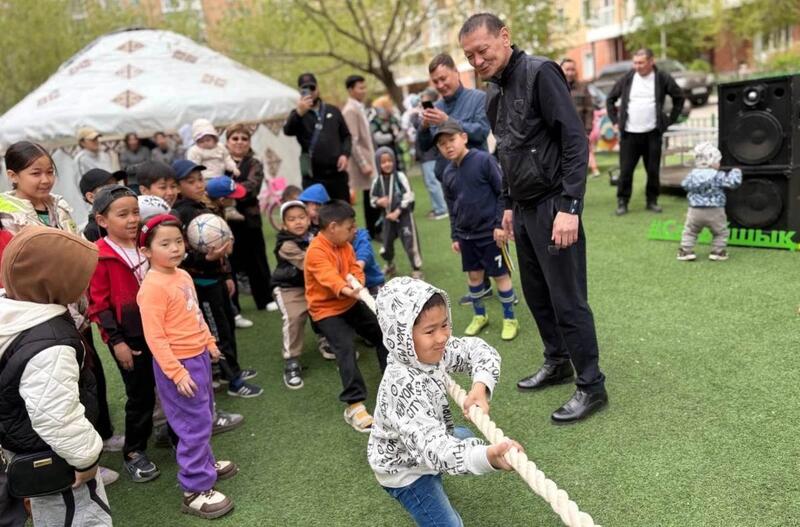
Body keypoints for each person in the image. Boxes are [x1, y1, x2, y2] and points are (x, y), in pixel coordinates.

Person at [459, 13, 607, 423]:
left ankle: (592, 385)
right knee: (538, 295)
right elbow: (506, 153)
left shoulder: (540, 73)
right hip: (522, 212)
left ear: (504, 38)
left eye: (482, 51)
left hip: (554, 206)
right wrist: (506, 205)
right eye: (469, 55)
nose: (476, 61)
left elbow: (574, 141)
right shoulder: (494, 95)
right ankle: (557, 361)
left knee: (568, 299)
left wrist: (570, 207)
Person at [1, 141, 124, 458]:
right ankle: (72, 454)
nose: (45, 180)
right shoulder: (6, 216)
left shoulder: (59, 206)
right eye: (35, 173)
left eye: (50, 172)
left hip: (74, 306)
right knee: (59, 385)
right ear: (13, 175)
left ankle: (102, 435)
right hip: (39, 315)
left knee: (89, 372)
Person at [368, 277, 522, 527]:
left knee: (460, 436)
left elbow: (480, 351)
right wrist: (488, 459)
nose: (442, 337)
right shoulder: (403, 386)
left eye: (445, 325)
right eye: (430, 331)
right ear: (403, 337)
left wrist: (480, 388)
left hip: (431, 437)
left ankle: (459, 455)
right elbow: (435, 450)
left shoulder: (432, 350)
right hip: (407, 470)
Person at [0, 227, 112, 526]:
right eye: (81, 278)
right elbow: (55, 414)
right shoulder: (49, 343)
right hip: (56, 459)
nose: (86, 285)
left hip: (27, 447)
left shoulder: (14, 313)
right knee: (81, 517)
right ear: (55, 281)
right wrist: (86, 458)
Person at [137, 214, 238, 519]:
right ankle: (194, 489)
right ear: (146, 251)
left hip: (198, 358)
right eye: (165, 244)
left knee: (204, 415)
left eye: (178, 241)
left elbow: (194, 315)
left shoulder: (182, 276)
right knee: (191, 426)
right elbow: (154, 338)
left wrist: (208, 342)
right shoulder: (152, 287)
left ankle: (205, 466)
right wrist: (177, 372)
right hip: (177, 366)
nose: (175, 248)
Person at [171, 159, 263, 398]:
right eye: (191, 182)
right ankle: (233, 381)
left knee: (228, 327)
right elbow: (183, 256)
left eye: (200, 180)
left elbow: (220, 245)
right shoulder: (181, 213)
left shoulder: (203, 207)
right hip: (202, 284)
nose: (199, 185)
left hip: (217, 280)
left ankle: (231, 370)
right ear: (178, 187)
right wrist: (208, 260)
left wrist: (227, 274)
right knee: (217, 332)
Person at [88, 186, 160, 483]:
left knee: (168, 386)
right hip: (130, 338)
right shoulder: (99, 255)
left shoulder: (148, 243)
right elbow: (99, 306)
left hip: (161, 330)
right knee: (140, 394)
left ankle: (175, 435)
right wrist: (117, 342)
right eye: (123, 214)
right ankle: (134, 450)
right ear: (102, 220)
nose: (132, 219)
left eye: (135, 212)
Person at [304, 200, 389, 432]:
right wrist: (347, 288)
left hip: (350, 302)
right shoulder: (315, 252)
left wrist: (357, 283)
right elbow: (328, 277)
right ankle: (354, 405)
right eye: (350, 227)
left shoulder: (345, 246)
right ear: (333, 227)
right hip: (326, 310)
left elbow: (355, 269)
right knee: (346, 348)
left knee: (383, 332)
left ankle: (391, 379)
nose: (354, 231)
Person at [417, 53, 494, 306]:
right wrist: (425, 126)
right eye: (435, 81)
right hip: (450, 179)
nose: (440, 85)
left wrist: (448, 121)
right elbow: (425, 147)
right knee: (465, 235)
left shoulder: (478, 98)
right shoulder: (436, 107)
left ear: (455, 73)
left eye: (443, 78)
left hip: (479, 177)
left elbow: (481, 131)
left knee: (489, 234)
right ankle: (479, 287)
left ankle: (502, 283)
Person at [436, 119, 519, 341]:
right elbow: (452, 207)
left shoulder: (484, 160)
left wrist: (499, 225)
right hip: (466, 236)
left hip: (492, 234)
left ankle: (510, 318)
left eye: (451, 140)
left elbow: (503, 192)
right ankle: (479, 315)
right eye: (442, 144)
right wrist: (455, 235)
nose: (448, 146)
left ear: (463, 137)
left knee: (501, 276)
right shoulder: (447, 173)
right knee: (474, 277)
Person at [606, 48, 685, 215]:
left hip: (652, 133)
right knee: (626, 170)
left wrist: (669, 120)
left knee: (653, 170)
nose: (637, 66)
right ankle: (622, 202)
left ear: (651, 61)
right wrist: (615, 122)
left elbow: (679, 97)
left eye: (641, 63)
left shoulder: (662, 77)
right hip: (629, 134)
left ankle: (652, 201)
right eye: (635, 63)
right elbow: (610, 99)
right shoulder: (627, 78)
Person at [225, 123, 277, 312]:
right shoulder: (219, 162)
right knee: (229, 263)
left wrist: (225, 190)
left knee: (256, 260)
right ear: (228, 141)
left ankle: (264, 299)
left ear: (249, 142)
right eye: (235, 138)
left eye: (244, 138)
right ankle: (234, 306)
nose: (239, 142)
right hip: (225, 221)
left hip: (250, 219)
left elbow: (250, 187)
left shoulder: (255, 163)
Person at [283, 72, 352, 201]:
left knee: (343, 211)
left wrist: (345, 154)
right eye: (305, 89)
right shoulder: (297, 114)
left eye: (312, 88)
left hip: (337, 173)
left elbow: (346, 136)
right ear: (300, 91)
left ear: (318, 88)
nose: (310, 92)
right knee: (316, 214)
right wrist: (299, 113)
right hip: (313, 175)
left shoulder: (333, 110)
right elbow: (287, 131)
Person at [271, 200, 313, 389]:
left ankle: (328, 342)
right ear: (284, 225)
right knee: (294, 317)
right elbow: (311, 264)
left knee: (329, 310)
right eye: (292, 219)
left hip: (311, 285)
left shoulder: (315, 235)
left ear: (309, 219)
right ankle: (292, 360)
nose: (298, 222)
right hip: (289, 288)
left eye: (302, 217)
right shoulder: (286, 244)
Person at [677, 142, 742, 262]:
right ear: (712, 161)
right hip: (715, 211)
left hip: (695, 210)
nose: (719, 164)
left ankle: (686, 251)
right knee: (720, 232)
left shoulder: (692, 175)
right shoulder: (717, 175)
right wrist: (736, 171)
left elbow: (685, 185)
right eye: (718, 161)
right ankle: (717, 252)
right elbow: (733, 182)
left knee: (690, 231)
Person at [369, 147, 423, 279]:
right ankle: (390, 264)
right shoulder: (377, 182)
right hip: (387, 218)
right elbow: (372, 199)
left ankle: (416, 268)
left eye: (389, 161)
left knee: (410, 242)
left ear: (394, 161)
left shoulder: (400, 177)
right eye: (383, 162)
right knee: (386, 244)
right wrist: (379, 202)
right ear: (378, 164)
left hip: (404, 216)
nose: (387, 164)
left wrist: (398, 211)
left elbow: (409, 196)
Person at [342, 74, 381, 239]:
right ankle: (374, 230)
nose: (363, 91)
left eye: (364, 87)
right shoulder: (350, 110)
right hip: (363, 161)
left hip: (370, 157)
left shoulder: (358, 107)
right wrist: (363, 163)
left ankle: (376, 228)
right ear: (351, 90)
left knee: (372, 193)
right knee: (370, 195)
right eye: (360, 88)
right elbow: (353, 140)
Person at [411, 88, 449, 221]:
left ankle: (441, 209)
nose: (421, 105)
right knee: (431, 182)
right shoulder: (423, 115)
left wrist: (418, 116)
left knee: (433, 182)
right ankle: (438, 206)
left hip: (430, 154)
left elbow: (418, 126)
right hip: (425, 154)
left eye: (425, 103)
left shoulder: (436, 115)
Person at [561, 58, 599, 178]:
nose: (570, 72)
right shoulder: (555, 86)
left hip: (579, 131)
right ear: (561, 69)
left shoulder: (583, 87)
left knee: (580, 158)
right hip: (560, 131)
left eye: (572, 69)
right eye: (567, 69)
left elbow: (589, 110)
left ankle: (589, 172)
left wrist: (587, 130)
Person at [79, 167, 127, 242]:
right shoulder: (92, 231)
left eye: (116, 185)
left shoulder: (127, 216)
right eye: (108, 187)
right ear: (91, 197)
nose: (116, 190)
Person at [370, 95, 406, 173]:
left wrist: (397, 136)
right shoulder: (375, 122)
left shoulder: (393, 119)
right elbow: (378, 138)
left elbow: (402, 132)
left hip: (397, 151)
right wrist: (392, 136)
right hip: (384, 153)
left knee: (401, 174)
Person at [352, 227, 385, 297]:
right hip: (352, 288)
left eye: (353, 224)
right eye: (348, 228)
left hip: (373, 284)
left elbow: (364, 254)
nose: (354, 230)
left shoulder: (360, 235)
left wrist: (355, 272)